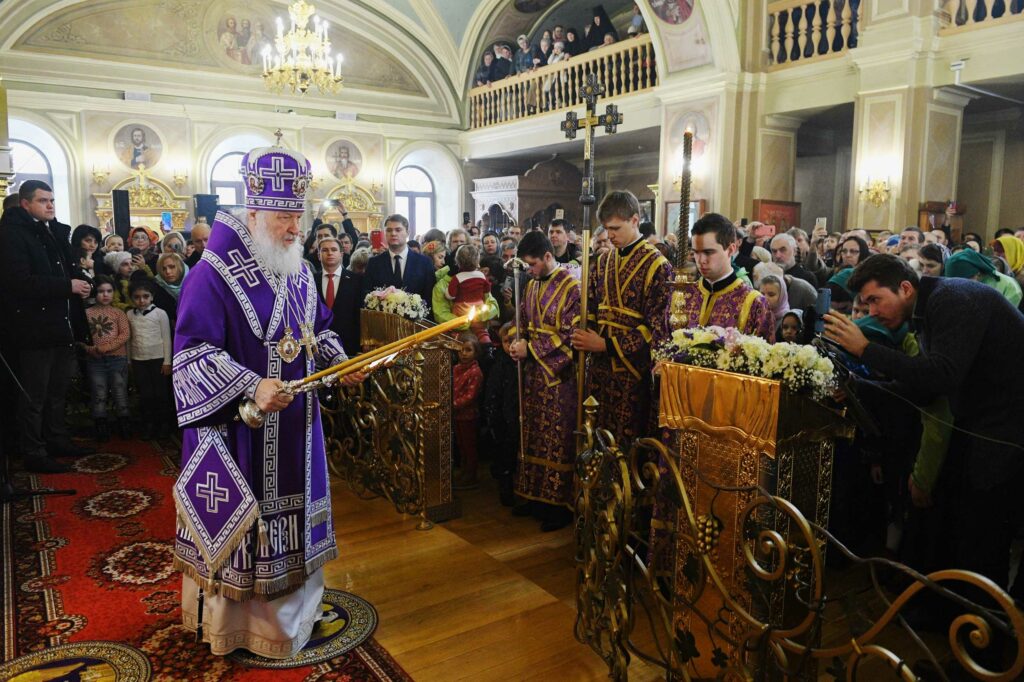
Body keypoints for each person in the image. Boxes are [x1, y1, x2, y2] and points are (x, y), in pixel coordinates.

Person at [172, 144, 363, 658]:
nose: (294, 230)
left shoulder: (299, 271)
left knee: (298, 521)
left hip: (299, 429)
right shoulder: (211, 275)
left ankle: (297, 617)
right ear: (253, 214)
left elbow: (317, 332)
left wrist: (341, 363)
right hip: (243, 432)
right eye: (283, 217)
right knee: (249, 531)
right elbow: (190, 356)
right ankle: (240, 626)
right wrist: (249, 384)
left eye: (297, 218)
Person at [823, 254, 1024, 603]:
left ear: (904, 288)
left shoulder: (951, 299)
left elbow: (942, 375)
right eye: (865, 303)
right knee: (966, 537)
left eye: (875, 300)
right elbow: (923, 389)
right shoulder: (928, 308)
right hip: (985, 425)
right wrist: (858, 386)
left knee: (984, 541)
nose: (870, 311)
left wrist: (866, 349)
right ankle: (965, 633)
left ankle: (988, 648)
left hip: (1006, 432)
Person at [0, 179, 94, 473]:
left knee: (57, 391)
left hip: (60, 326)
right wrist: (67, 285)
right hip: (33, 329)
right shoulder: (13, 235)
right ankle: (34, 450)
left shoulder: (52, 232)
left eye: (52, 200)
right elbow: (19, 282)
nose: (50, 205)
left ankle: (57, 439)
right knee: (35, 395)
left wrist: (80, 282)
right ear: (26, 203)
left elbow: (66, 270)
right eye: (43, 201)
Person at [571, 190, 673, 446]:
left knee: (625, 445)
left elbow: (657, 328)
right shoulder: (603, 261)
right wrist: (583, 332)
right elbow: (590, 306)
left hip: (632, 375)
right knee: (598, 439)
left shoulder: (657, 266)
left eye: (616, 228)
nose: (610, 235)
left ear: (635, 220)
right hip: (599, 372)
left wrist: (606, 345)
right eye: (606, 229)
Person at [508, 231, 581, 532]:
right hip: (533, 375)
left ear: (548, 257)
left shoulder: (572, 287)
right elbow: (522, 322)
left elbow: (570, 335)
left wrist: (532, 349)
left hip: (559, 378)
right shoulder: (532, 285)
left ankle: (557, 505)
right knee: (534, 433)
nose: (530, 270)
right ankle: (534, 494)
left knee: (557, 439)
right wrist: (515, 341)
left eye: (533, 264)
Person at [668, 213, 775, 342]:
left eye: (708, 252)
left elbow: (764, 357)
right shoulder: (682, 296)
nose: (701, 260)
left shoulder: (754, 304)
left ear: (731, 249)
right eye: (696, 252)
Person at [83, 276, 131, 441]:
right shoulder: (86, 313)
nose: (105, 295)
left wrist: (106, 347)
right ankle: (100, 424)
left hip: (117, 359)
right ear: (94, 293)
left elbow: (125, 334)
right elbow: (81, 337)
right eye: (101, 291)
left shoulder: (119, 313)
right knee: (99, 391)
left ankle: (124, 422)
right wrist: (90, 349)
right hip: (95, 360)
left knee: (119, 390)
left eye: (109, 291)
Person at [126, 279, 172, 439]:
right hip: (139, 359)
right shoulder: (129, 314)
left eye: (145, 296)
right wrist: (129, 360)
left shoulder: (160, 313)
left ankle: (164, 424)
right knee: (145, 394)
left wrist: (167, 361)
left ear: (152, 297)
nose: (141, 300)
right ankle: (149, 424)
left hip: (158, 359)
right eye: (137, 297)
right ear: (132, 298)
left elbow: (166, 338)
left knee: (160, 393)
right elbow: (129, 339)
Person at [362, 214, 435, 311]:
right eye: (389, 230)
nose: (393, 233)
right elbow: (367, 293)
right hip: (383, 320)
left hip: (416, 322)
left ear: (407, 233)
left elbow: (429, 297)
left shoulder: (424, 263)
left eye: (398, 230)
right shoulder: (374, 263)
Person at [316, 236, 362, 356]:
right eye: (324, 250)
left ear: (341, 254)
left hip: (349, 345)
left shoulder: (356, 280)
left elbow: (359, 315)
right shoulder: (311, 280)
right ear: (318, 255)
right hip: (319, 347)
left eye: (334, 249)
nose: (330, 253)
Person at [453, 332, 484, 489]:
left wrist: (452, 404)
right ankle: (464, 471)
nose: (463, 354)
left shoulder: (475, 372)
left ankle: (471, 475)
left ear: (476, 352)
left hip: (468, 416)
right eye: (460, 350)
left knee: (469, 445)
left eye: (467, 350)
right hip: (457, 415)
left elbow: (470, 396)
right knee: (461, 444)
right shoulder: (456, 368)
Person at [446, 244, 494, 344]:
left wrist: (446, 291)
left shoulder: (457, 278)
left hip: (462, 310)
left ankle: (459, 342)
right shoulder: (481, 275)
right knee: (480, 329)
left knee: (461, 333)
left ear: (457, 261)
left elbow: (450, 295)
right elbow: (487, 290)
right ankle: (486, 342)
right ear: (477, 261)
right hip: (478, 310)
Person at [944, 249, 1022, 307]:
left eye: (964, 281)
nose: (960, 286)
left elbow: (1007, 320)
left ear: (978, 274)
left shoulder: (1009, 286)